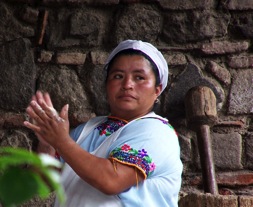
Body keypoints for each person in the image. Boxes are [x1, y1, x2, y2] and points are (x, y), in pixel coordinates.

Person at [24, 40, 183, 207]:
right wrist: (48, 145)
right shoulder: (87, 130)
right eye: (118, 76)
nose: (127, 85)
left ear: (157, 90)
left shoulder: (157, 132)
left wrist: (61, 141)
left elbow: (112, 180)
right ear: (107, 85)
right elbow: (41, 184)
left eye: (139, 77)